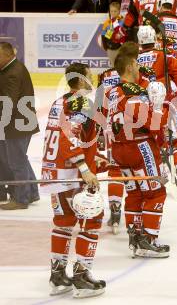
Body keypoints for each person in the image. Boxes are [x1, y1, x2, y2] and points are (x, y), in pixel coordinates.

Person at [41, 62, 106, 298]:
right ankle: (81, 276)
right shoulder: (81, 103)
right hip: (72, 173)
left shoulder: (61, 101)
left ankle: (58, 276)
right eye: (89, 76)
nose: (93, 79)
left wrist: (93, 156)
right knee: (93, 218)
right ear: (80, 80)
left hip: (55, 171)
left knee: (64, 220)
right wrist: (84, 167)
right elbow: (71, 137)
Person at [108, 42, 170, 258]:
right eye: (135, 63)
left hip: (118, 149)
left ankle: (135, 236)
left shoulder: (112, 92)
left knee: (134, 192)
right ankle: (148, 240)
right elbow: (152, 125)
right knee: (155, 192)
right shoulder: (133, 91)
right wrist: (159, 104)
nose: (138, 66)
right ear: (129, 66)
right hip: (139, 147)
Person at [136, 25, 177, 196]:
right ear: (154, 39)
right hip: (167, 102)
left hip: (144, 106)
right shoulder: (164, 55)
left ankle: (157, 178)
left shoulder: (133, 60)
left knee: (152, 141)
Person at [0, 42, 40, 209]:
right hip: (20, 122)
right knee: (20, 158)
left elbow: (9, 102)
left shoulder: (13, 73)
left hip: (17, 125)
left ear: (8, 55)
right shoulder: (11, 68)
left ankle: (21, 199)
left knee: (17, 161)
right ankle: (31, 193)